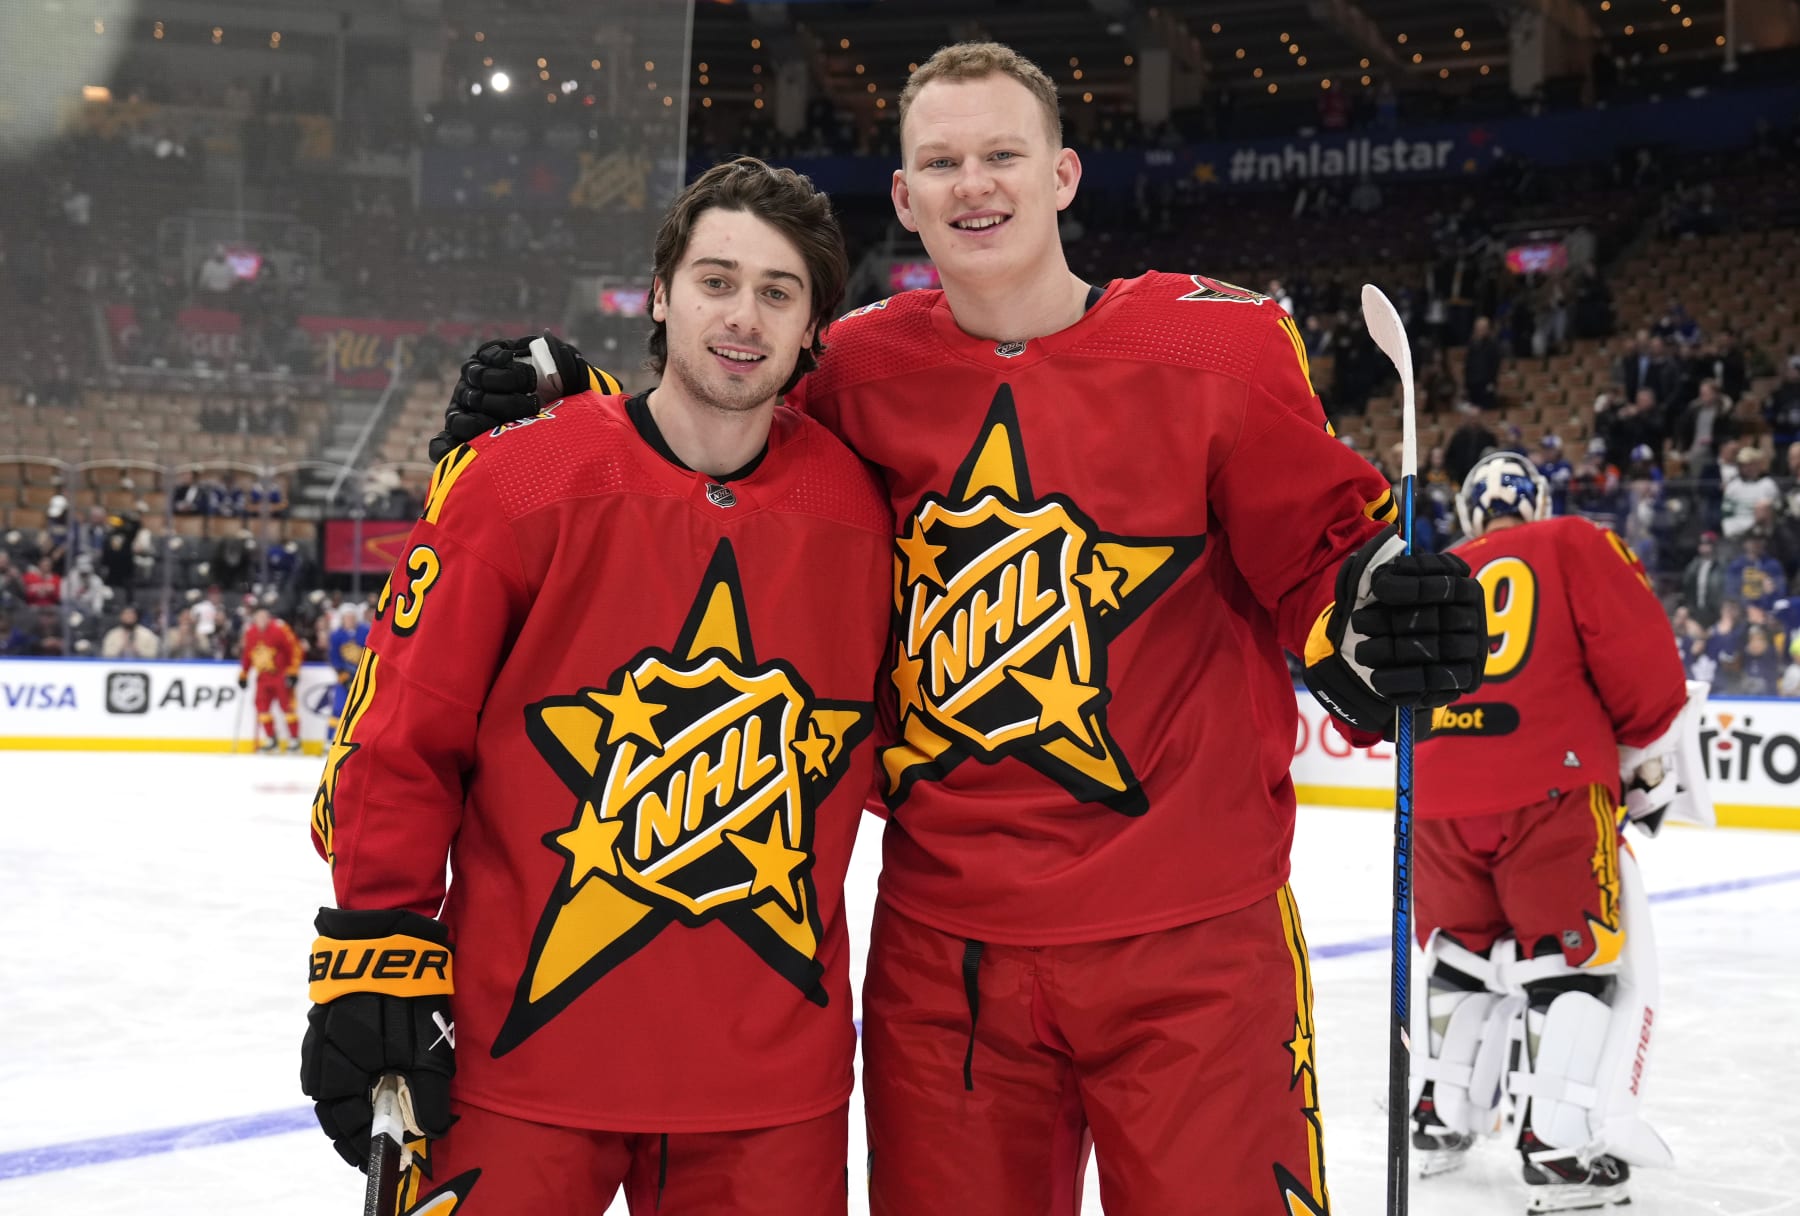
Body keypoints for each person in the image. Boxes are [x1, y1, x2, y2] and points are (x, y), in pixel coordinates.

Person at [434, 43, 1486, 1215]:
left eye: (1001, 155)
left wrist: (1380, 616)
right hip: (949, 959)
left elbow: (1324, 558)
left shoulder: (1218, 347)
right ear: (903, 195)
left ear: (1063, 174)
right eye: (941, 162)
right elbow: (711, 422)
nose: (973, 183)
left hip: (1192, 942)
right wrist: (565, 403)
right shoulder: (856, 369)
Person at [300, 158, 892, 1216]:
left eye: (778, 291)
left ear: (814, 330)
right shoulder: (516, 479)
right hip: (517, 1065)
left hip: (769, 1091)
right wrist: (375, 949)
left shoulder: (862, 511)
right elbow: (397, 737)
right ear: (659, 295)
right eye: (716, 281)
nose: (742, 315)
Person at [1409, 451, 1700, 1211]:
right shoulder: (1571, 541)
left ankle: (1439, 1116)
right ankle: (1558, 1150)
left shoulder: (1435, 569)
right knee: (1570, 963)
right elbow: (1639, 659)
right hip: (1549, 783)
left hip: (1435, 793)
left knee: (1462, 953)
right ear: (1535, 501)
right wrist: (1645, 752)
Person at [237, 604, 302, 752]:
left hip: (281, 675)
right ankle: (271, 738)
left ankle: (294, 740)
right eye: (258, 618)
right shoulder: (250, 633)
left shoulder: (280, 630)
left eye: (264, 617)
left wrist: (293, 671)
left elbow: (294, 649)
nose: (261, 620)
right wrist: (244, 673)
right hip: (262, 677)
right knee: (261, 706)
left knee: (287, 707)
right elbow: (247, 654)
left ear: (269, 618)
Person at [322, 605, 369, 744]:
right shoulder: (336, 635)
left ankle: (361, 740)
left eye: (351, 617)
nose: (349, 620)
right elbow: (334, 658)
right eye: (346, 617)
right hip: (344, 677)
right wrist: (343, 676)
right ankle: (329, 739)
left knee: (363, 709)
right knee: (338, 708)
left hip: (363, 677)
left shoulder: (366, 631)